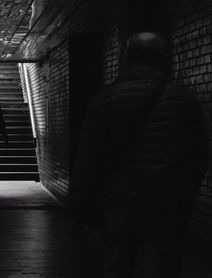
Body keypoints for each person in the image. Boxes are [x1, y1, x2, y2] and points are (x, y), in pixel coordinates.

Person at [70, 32, 208, 278]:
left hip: (118, 201)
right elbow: (197, 156)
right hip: (165, 202)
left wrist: (80, 205)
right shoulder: (183, 100)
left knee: (117, 264)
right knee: (159, 264)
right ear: (164, 58)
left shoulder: (105, 100)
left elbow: (87, 158)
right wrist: (185, 195)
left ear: (127, 58)